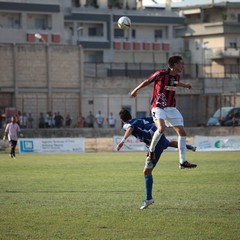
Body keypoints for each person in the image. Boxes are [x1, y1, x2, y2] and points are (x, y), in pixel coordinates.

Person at [116, 109, 197, 209]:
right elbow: (156, 120)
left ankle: (148, 198)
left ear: (121, 119)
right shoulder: (141, 119)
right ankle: (190, 146)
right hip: (159, 136)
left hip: (154, 144)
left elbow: (130, 128)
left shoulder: (127, 124)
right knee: (168, 143)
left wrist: (122, 141)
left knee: (147, 171)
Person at [130, 55, 194, 169]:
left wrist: (186, 85)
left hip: (171, 108)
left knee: (182, 133)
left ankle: (182, 162)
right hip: (158, 106)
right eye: (181, 63)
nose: (183, 66)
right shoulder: (160, 74)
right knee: (161, 128)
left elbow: (175, 83)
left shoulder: (177, 77)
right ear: (174, 65)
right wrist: (135, 90)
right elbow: (147, 81)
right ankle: (151, 150)